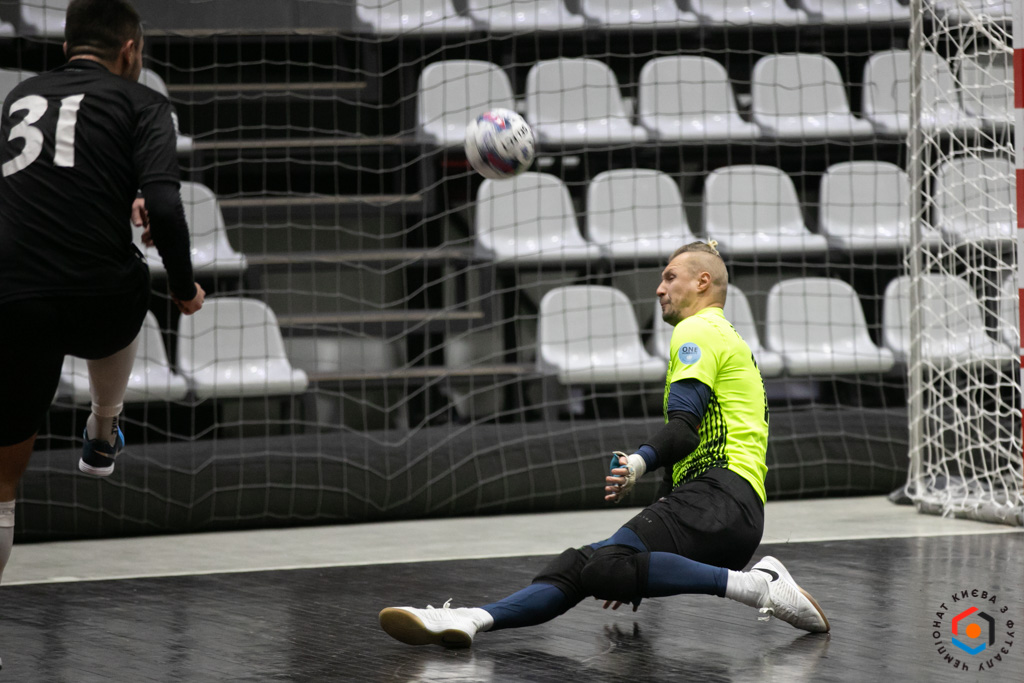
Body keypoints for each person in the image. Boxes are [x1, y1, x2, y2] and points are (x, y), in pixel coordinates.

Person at [378, 241, 830, 648]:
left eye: (670, 277)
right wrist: (635, 568)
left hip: (719, 499)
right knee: (583, 566)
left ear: (702, 282)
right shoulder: (727, 336)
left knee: (605, 566)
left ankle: (759, 585)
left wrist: (637, 462)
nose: (659, 288)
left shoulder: (697, 331)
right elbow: (687, 455)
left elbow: (683, 430)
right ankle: (470, 618)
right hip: (728, 510)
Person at [0, 0, 204, 585]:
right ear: (130, 50)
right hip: (100, 302)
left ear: (66, 47)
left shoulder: (19, 97)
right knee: (132, 276)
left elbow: (49, 182)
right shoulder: (144, 102)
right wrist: (185, 287)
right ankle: (102, 427)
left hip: (15, 298)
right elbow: (165, 204)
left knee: (3, 485)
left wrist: (123, 197)